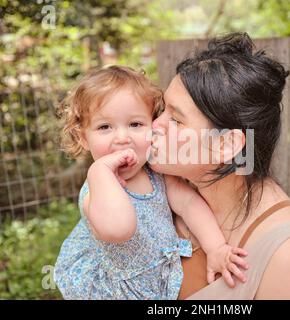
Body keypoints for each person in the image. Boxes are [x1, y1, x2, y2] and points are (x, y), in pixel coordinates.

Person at [150, 32, 290, 299]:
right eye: (163, 110)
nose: (154, 126)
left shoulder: (286, 250)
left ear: (227, 145)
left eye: (176, 120)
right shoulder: (160, 189)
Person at [53, 65, 249, 300]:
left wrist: (215, 247)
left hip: (160, 286)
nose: (122, 138)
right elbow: (119, 229)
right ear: (84, 138)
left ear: (153, 126)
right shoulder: (96, 190)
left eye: (135, 124)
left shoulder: (158, 174)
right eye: (105, 127)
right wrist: (100, 170)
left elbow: (188, 204)